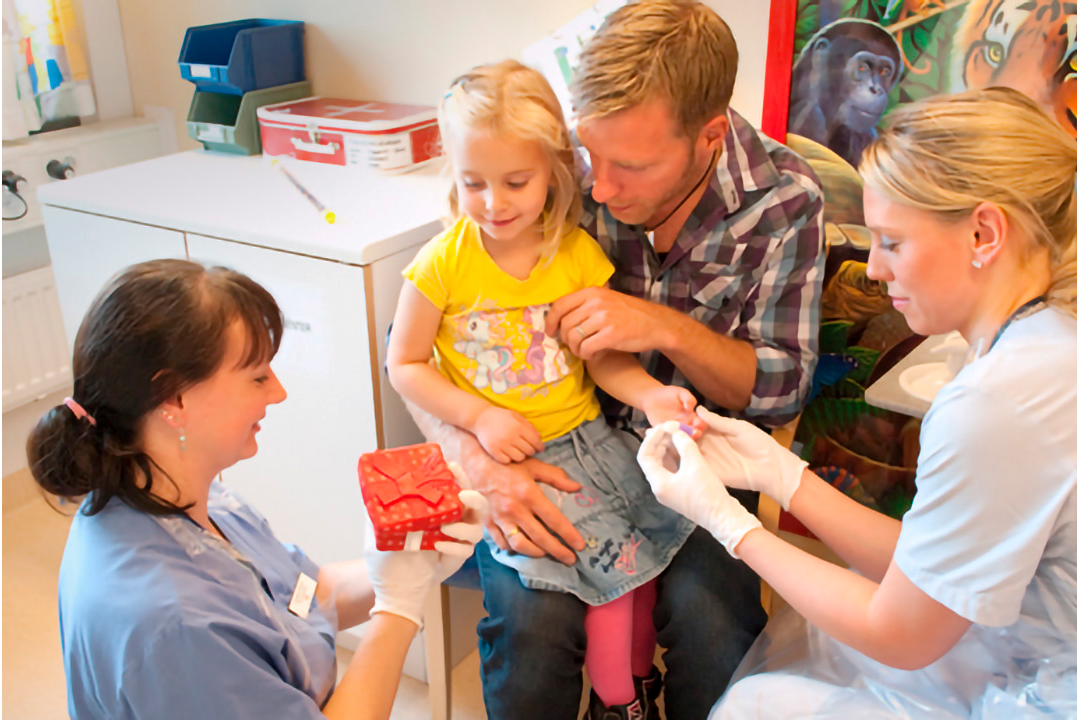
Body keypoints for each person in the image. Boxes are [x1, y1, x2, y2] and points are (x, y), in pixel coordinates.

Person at [637, 87, 1077, 718]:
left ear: (983, 233)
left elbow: (901, 633)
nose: (877, 270)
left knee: (759, 705)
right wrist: (781, 474)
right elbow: (930, 566)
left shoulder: (1001, 402)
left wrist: (727, 522)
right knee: (812, 651)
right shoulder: (1066, 334)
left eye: (892, 242)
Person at [399, 3, 826, 718]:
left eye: (629, 166)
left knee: (714, 628)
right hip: (548, 451)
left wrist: (663, 329)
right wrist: (477, 457)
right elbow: (425, 347)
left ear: (709, 136)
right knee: (532, 629)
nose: (595, 190)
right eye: (589, 157)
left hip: (696, 461)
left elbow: (779, 389)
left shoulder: (783, 205)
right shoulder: (544, 167)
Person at [28, 259, 488, 720]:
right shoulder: (177, 624)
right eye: (258, 376)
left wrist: (411, 560)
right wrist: (398, 610)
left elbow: (299, 601)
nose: (279, 392)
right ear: (175, 398)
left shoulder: (181, 497)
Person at [385, 59, 706, 719]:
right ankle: (623, 705)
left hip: (593, 443)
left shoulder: (574, 255)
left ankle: (629, 693)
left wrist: (649, 395)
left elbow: (602, 361)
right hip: (509, 463)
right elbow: (405, 365)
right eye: (473, 183)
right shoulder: (443, 265)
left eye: (515, 181)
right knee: (610, 586)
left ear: (554, 171)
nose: (494, 203)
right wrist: (479, 417)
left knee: (644, 573)